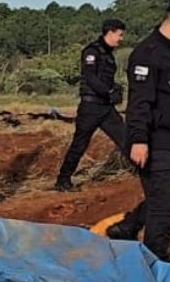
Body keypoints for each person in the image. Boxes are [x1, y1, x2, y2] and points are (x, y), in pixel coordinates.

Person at [105, 0, 170, 262]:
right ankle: (154, 262)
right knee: (165, 203)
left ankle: (128, 226)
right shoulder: (147, 54)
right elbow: (139, 102)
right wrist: (138, 140)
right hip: (152, 137)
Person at [54, 19, 127, 192]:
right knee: (79, 144)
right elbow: (90, 77)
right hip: (90, 107)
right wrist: (108, 92)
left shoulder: (108, 54)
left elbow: (104, 78)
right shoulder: (92, 51)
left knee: (125, 138)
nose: (121, 39)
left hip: (106, 108)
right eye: (120, 34)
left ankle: (145, 173)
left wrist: (114, 90)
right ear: (110, 32)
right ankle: (63, 180)